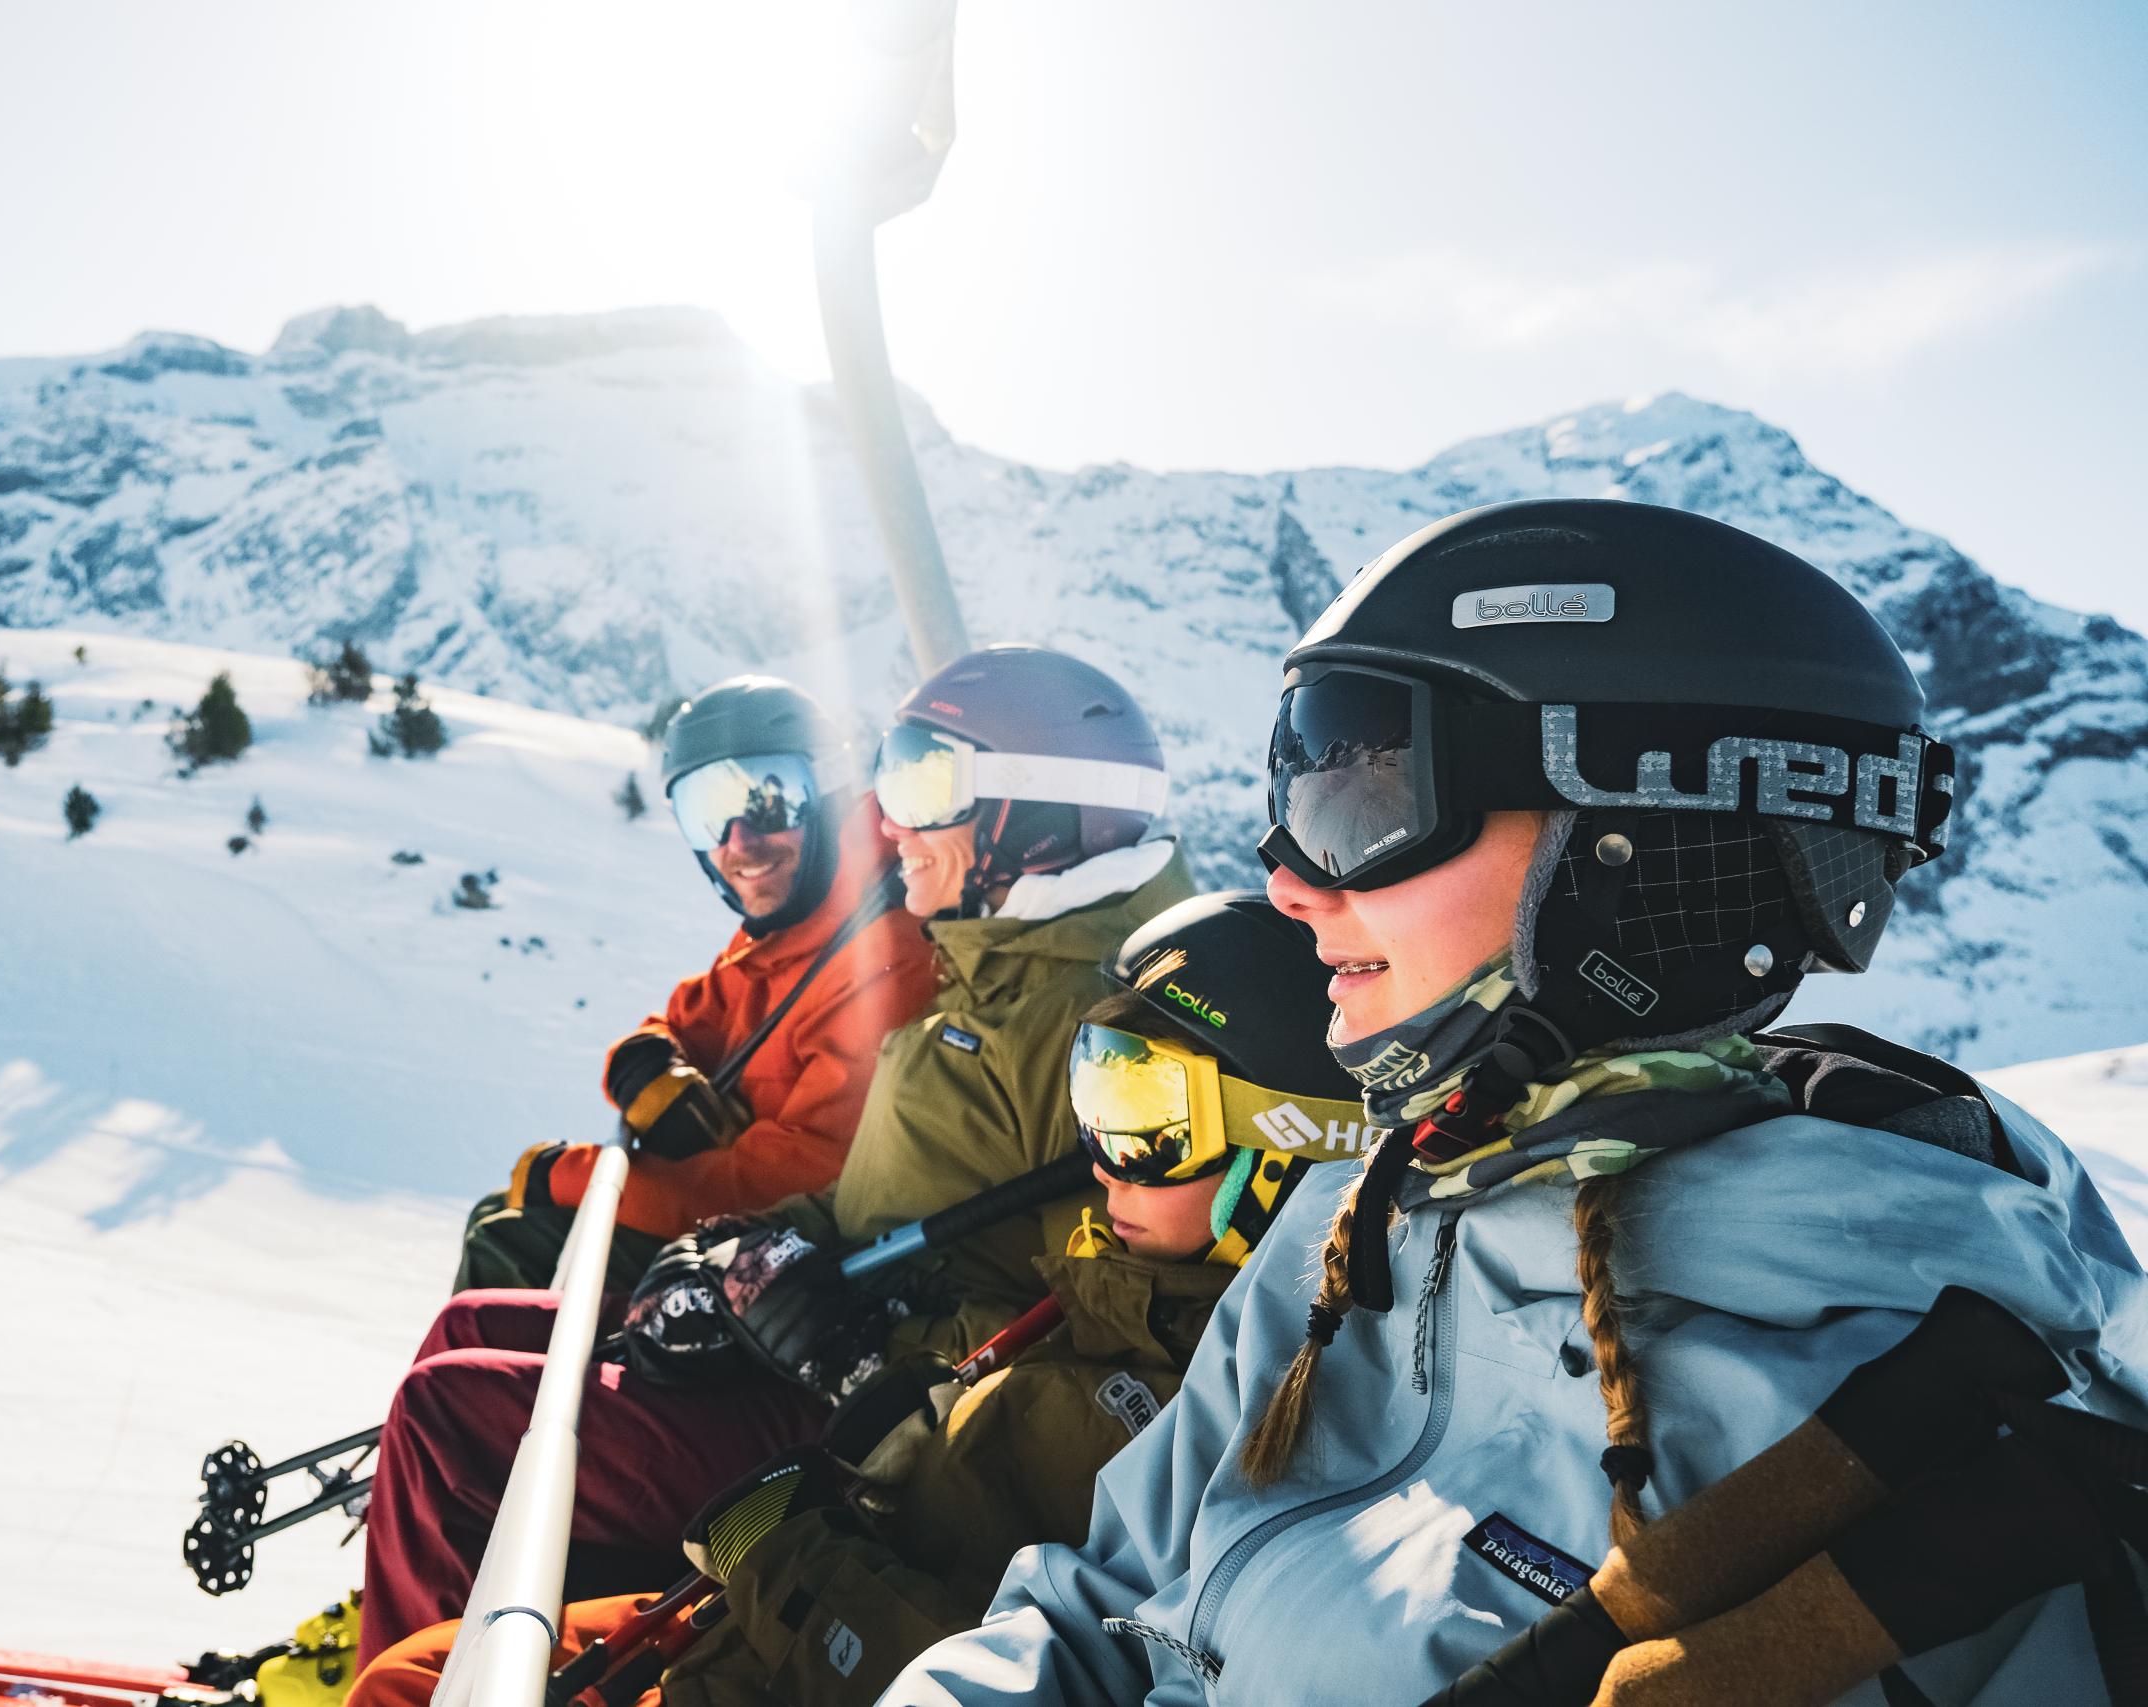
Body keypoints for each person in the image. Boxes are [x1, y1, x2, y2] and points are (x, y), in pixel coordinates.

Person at [875, 499, 2148, 1706]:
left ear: (1635, 852)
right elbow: (1093, 1607)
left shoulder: (1908, 1427)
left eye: (1361, 796)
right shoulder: (1347, 1234)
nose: (1291, 886)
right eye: (1299, 782)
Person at [353, 644, 1195, 1663]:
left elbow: (1108, 1349)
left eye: (922, 783)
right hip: (814, 1347)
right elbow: (860, 1187)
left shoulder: (1089, 1029)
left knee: (455, 1415)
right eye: (887, 779)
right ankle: (435, 1608)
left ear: (1035, 812)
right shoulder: (990, 967)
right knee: (480, 1319)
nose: (886, 825)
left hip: (868, 1419)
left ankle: (434, 1658)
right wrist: (741, 1254)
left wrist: (852, 1335)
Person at [345, 893, 1369, 1707]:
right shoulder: (1113, 1289)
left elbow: (1001, 1670)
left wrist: (779, 1545)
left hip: (791, 1637)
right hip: (751, 1632)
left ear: (1291, 1149)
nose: (1097, 1162)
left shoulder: (1227, 1415)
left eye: (1147, 1116)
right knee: (415, 1673)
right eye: (1095, 1096)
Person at [454, 674, 936, 1293]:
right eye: (705, 815)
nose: (739, 843)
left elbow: (785, 1186)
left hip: (803, 1263)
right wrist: (644, 1063)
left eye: (771, 802)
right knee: (501, 1220)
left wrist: (572, 1174)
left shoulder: (883, 952)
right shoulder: (797, 919)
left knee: (511, 1239)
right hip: (738, 1233)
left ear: (831, 797)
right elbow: (694, 1015)